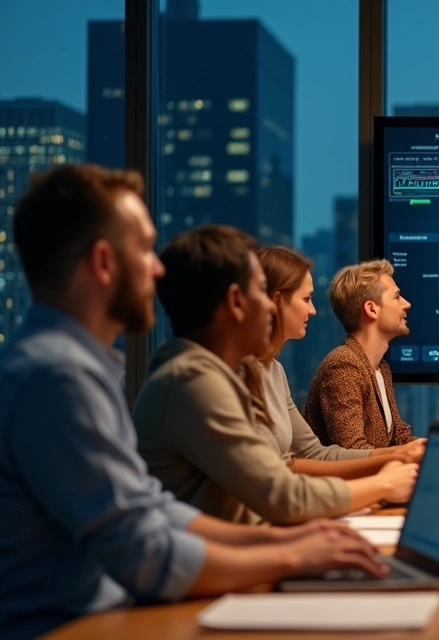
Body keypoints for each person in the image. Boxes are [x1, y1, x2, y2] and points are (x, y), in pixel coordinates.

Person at [0, 165, 384, 639]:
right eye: (144, 248)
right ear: (103, 263)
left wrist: (283, 539)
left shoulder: (66, 365)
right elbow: (146, 554)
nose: (157, 267)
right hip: (79, 627)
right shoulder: (57, 376)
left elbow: (153, 509)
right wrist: (290, 554)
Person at [132, 226, 418, 525]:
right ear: (235, 302)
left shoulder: (223, 372)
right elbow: (280, 492)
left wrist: (397, 459)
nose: (271, 305)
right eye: (261, 291)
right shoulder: (194, 381)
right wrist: (384, 483)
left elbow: (295, 464)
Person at [241, 246, 425, 475]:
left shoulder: (274, 371)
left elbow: (311, 452)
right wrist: (391, 473)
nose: (313, 310)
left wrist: (424, 452)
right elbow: (346, 450)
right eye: (307, 299)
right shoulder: (344, 365)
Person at [304, 259, 419, 449]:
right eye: (397, 297)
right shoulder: (344, 365)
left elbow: (400, 438)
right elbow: (353, 451)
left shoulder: (381, 368)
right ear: (372, 309)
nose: (406, 304)